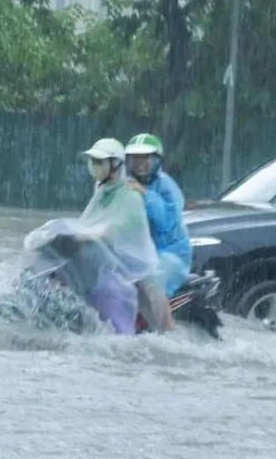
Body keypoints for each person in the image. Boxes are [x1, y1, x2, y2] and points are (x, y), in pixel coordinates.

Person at [76, 138, 167, 335]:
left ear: (116, 164)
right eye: (92, 161)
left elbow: (122, 227)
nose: (94, 166)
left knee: (152, 297)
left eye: (100, 162)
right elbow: (86, 220)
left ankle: (171, 338)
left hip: (136, 263)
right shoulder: (101, 190)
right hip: (108, 261)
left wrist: (99, 233)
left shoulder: (130, 194)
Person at [124, 133, 191, 327]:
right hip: (139, 252)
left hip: (170, 255)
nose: (139, 162)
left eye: (145, 157)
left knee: (149, 280)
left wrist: (144, 193)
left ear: (156, 160)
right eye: (135, 158)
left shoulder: (167, 186)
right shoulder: (125, 184)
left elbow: (165, 221)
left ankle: (167, 335)